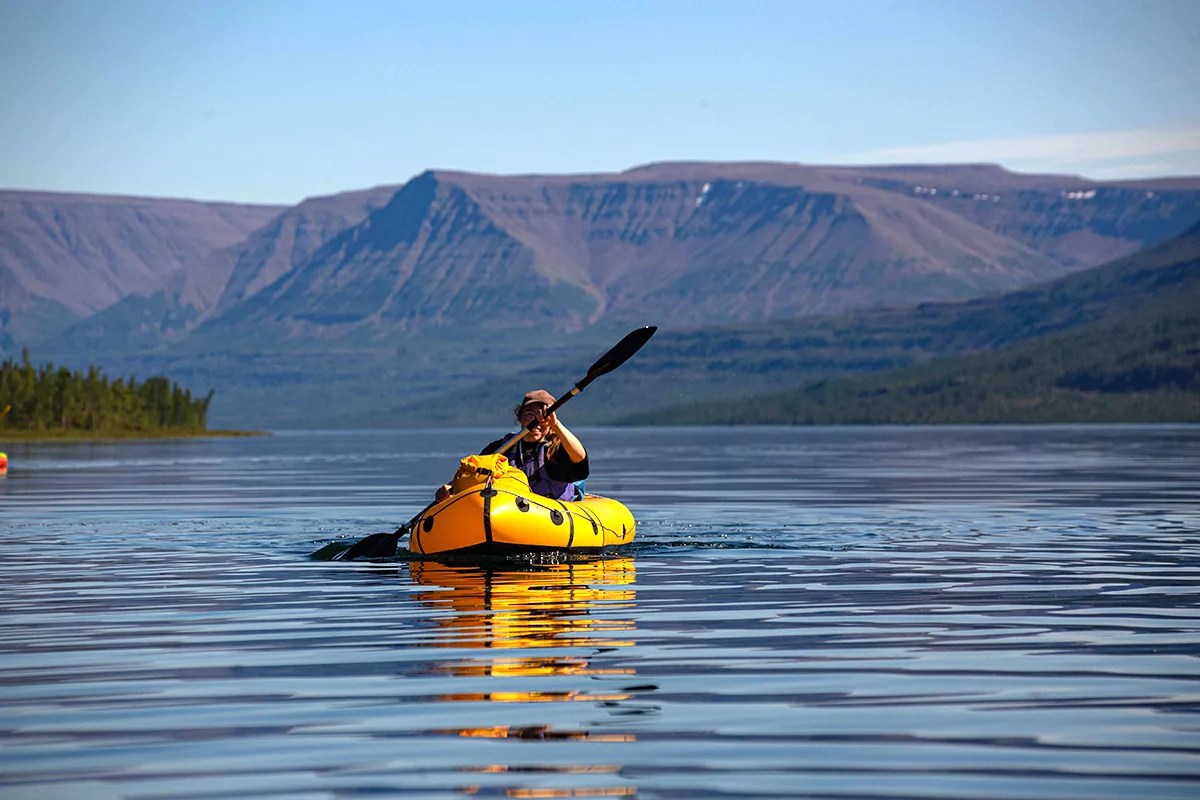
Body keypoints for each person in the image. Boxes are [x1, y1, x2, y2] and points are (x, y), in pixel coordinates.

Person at [437, 389, 589, 502]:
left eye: (544, 415)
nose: (537, 421)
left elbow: (580, 459)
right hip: (509, 515)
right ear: (520, 417)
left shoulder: (557, 449)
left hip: (549, 518)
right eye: (530, 414)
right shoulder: (501, 447)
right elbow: (475, 473)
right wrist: (452, 487)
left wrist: (556, 425)